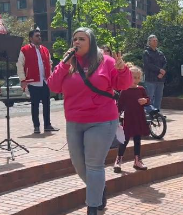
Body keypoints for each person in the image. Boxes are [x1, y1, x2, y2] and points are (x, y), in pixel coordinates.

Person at [47, 27, 132, 215]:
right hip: (74, 121)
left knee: (94, 164)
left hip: (102, 121)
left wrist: (123, 69)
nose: (76, 42)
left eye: (81, 39)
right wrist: (62, 64)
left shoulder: (107, 62)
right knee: (79, 165)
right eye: (75, 39)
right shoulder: (68, 64)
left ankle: (93, 206)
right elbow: (53, 86)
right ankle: (99, 189)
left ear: (91, 43)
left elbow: (124, 84)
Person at [16, 29, 59, 134]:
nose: (39, 37)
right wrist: (23, 79)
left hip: (44, 81)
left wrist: (51, 78)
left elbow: (49, 64)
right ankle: (36, 126)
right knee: (35, 105)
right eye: (37, 36)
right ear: (31, 38)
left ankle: (47, 125)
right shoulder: (24, 50)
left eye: (40, 36)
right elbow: (19, 65)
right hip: (32, 82)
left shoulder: (45, 50)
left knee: (47, 104)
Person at [114, 63, 149, 173]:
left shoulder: (141, 89)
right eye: (134, 77)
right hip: (128, 119)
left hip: (139, 117)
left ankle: (137, 160)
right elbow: (119, 105)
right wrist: (116, 116)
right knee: (124, 140)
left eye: (138, 77)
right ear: (128, 77)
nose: (136, 80)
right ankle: (118, 159)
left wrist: (146, 101)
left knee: (138, 140)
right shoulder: (125, 90)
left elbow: (148, 99)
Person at [143, 34, 167, 110]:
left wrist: (162, 72)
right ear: (149, 42)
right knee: (150, 97)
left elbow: (165, 62)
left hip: (160, 79)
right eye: (153, 40)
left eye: (156, 40)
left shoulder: (160, 53)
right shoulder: (146, 53)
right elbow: (148, 64)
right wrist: (159, 70)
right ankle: (150, 113)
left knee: (158, 98)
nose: (155, 42)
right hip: (150, 79)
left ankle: (157, 113)